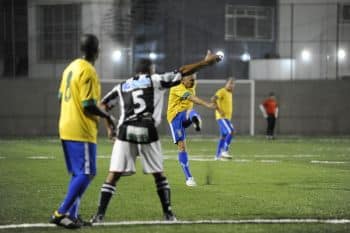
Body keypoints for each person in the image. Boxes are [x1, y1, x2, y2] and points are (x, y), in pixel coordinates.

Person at [90, 51, 222, 223]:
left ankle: (99, 215)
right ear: (150, 70)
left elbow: (102, 105)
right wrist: (205, 63)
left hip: (125, 130)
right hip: (147, 128)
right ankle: (168, 214)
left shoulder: (122, 86)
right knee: (159, 175)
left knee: (113, 175)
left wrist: (109, 126)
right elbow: (182, 70)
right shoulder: (156, 80)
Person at [50, 34, 116, 229]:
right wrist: (108, 116)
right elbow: (88, 105)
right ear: (97, 51)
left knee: (79, 173)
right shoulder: (88, 71)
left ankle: (72, 215)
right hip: (81, 129)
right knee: (87, 173)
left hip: (65, 126)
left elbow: (61, 97)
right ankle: (60, 213)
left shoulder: (70, 68)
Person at [167, 53, 222, 187]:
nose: (193, 82)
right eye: (190, 80)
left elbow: (195, 70)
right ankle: (189, 178)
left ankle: (194, 119)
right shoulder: (177, 88)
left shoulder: (189, 84)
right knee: (182, 147)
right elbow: (192, 98)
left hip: (184, 115)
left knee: (190, 112)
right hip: (174, 118)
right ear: (183, 81)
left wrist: (207, 60)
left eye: (193, 80)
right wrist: (208, 105)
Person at [212, 78, 235, 160]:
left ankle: (217, 156)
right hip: (222, 117)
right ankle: (224, 151)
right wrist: (219, 110)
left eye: (233, 83)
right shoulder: (222, 91)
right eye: (230, 83)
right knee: (230, 131)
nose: (231, 85)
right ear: (226, 84)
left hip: (227, 118)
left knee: (223, 136)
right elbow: (213, 99)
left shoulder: (230, 93)